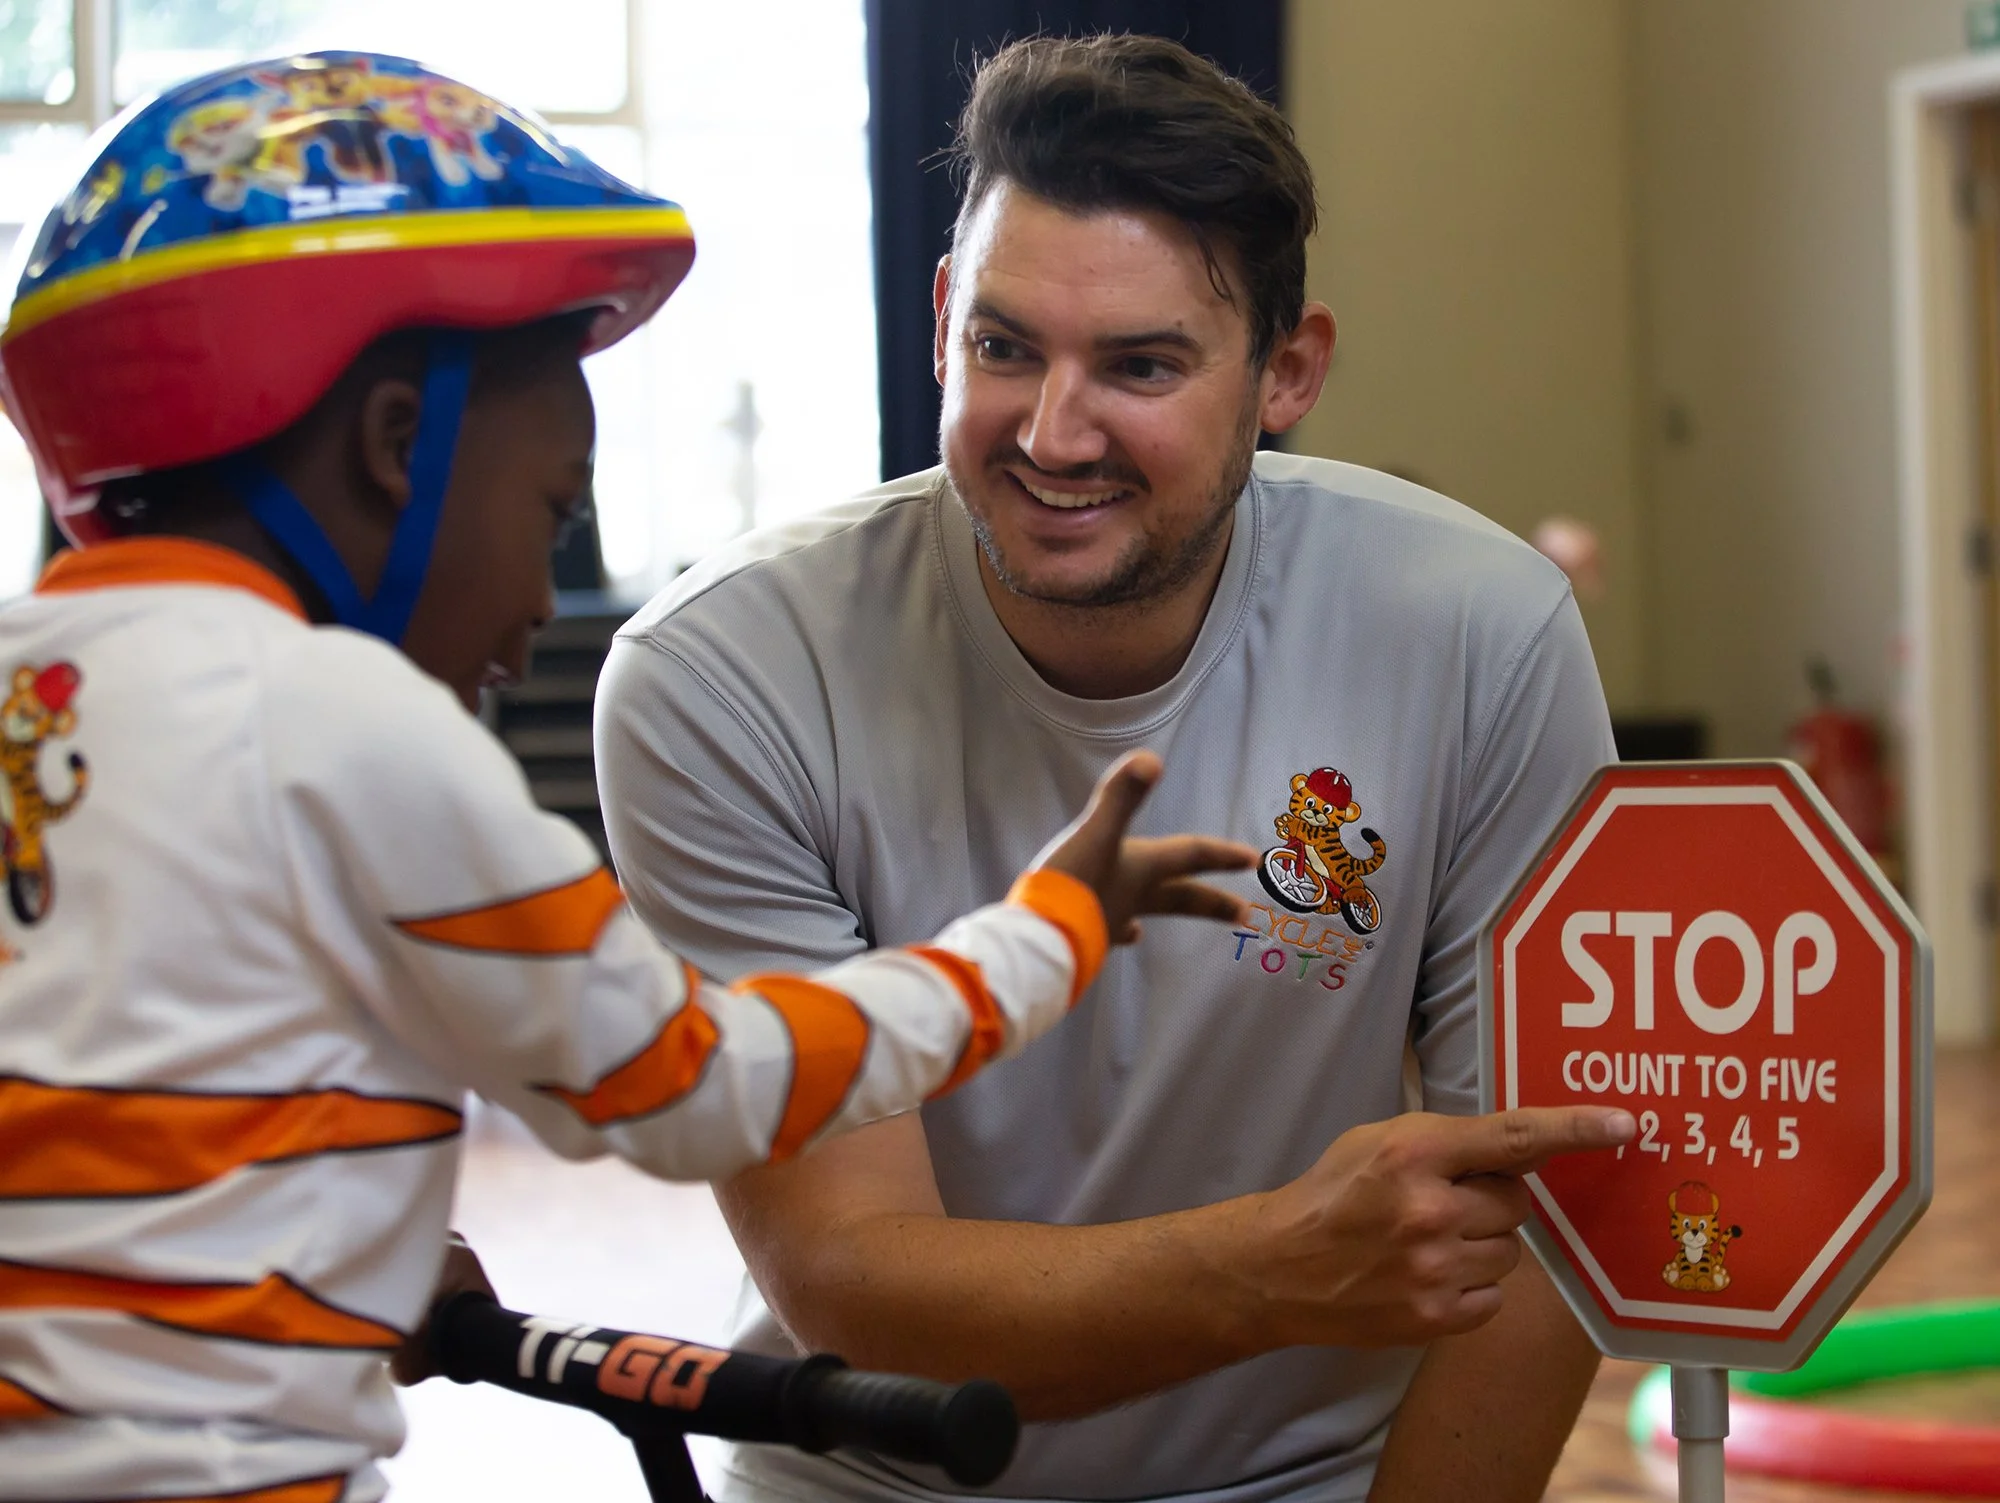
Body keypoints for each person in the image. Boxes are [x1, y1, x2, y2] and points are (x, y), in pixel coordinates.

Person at [0, 53, 1258, 1503]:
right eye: (552, 511)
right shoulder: (342, 727)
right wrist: (1041, 941)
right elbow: (686, 1084)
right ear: (397, 447)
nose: (541, 599)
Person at [594, 32, 1635, 1503]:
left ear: (1288, 371)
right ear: (944, 314)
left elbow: (1540, 1213)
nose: (1051, 431)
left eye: (1139, 364)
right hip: (877, 1478)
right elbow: (848, 1270)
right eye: (1006, 345)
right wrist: (1283, 1265)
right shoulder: (726, 675)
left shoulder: (1477, 630)